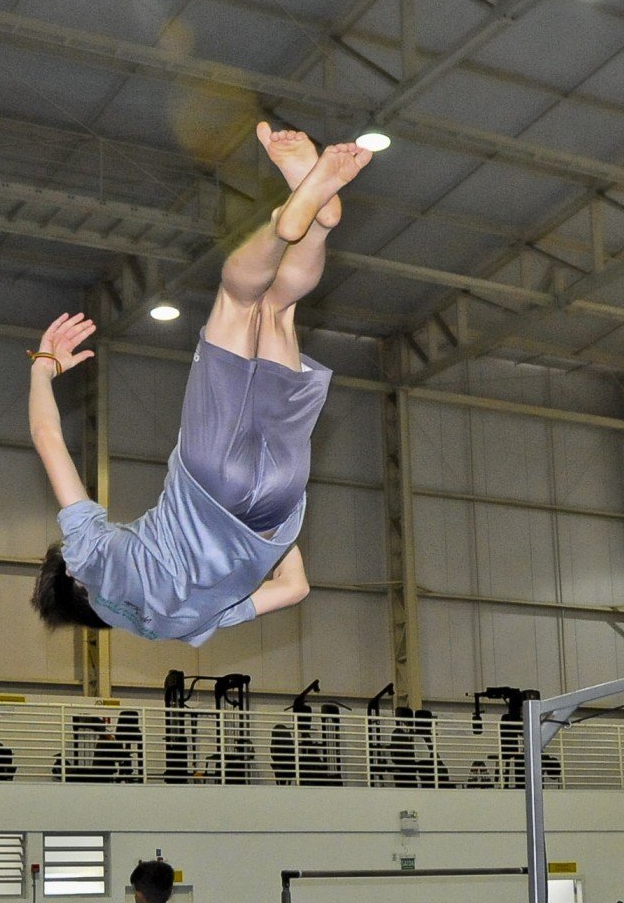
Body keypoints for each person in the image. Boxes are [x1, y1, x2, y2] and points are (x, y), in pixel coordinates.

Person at [29, 127, 372, 646]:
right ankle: (286, 223)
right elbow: (47, 438)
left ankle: (318, 223)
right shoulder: (89, 556)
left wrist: (268, 541)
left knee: (277, 310)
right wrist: (41, 369)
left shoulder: (183, 628)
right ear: (74, 579)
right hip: (207, 477)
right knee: (239, 303)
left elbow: (295, 588)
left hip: (278, 503)